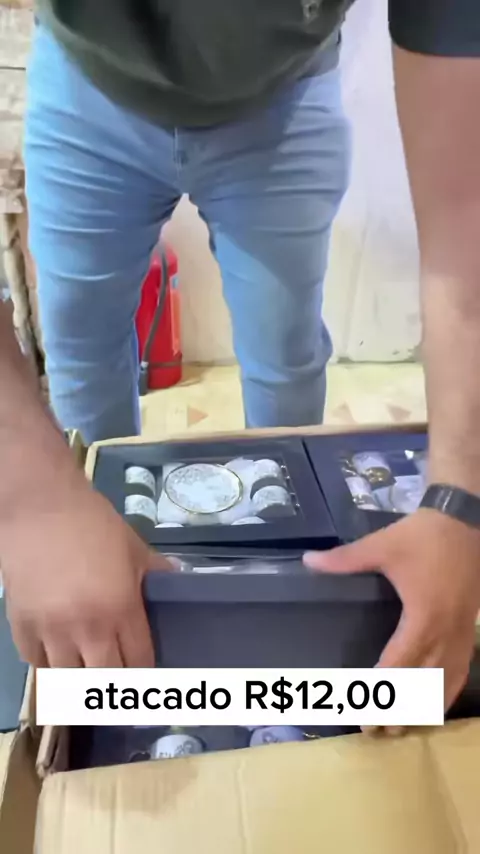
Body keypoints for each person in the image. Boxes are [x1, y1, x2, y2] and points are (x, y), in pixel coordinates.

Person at [1, 0, 479, 713]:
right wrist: (31, 501)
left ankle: (288, 587)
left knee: (286, 360)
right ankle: (112, 604)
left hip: (284, 95)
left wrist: (461, 501)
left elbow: (466, 226)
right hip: (86, 83)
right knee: (83, 363)